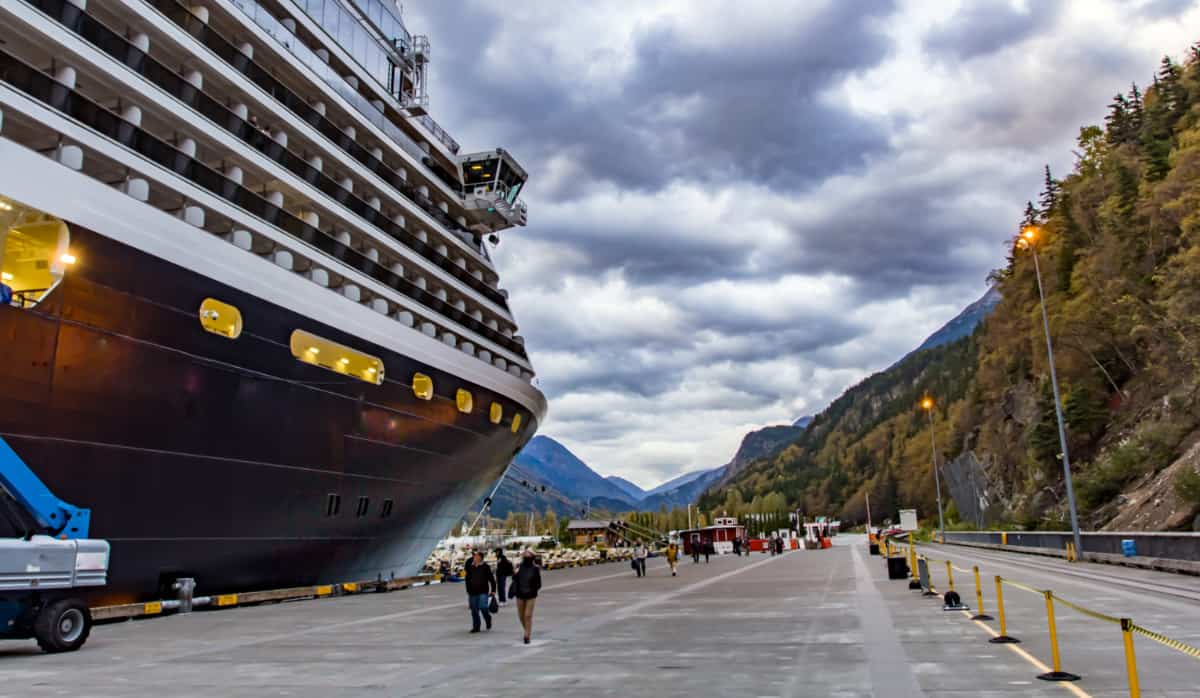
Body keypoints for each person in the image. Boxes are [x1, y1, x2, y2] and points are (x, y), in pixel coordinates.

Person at [512, 549, 542, 645]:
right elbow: (514, 579)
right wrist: (515, 573)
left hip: (531, 595)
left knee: (527, 615)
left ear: (532, 557)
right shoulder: (519, 567)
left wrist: (533, 590)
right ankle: (527, 630)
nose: (526, 555)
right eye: (525, 554)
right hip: (520, 594)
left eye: (528, 554)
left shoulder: (535, 568)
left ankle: (527, 635)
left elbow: (539, 583)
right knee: (521, 616)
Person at [463, 550, 495, 633]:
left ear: (480, 558)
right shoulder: (471, 567)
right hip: (472, 592)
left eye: (476, 556)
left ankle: (488, 618)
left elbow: (491, 579)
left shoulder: (485, 567)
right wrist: (468, 589)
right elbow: (467, 579)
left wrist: (493, 590)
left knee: (483, 607)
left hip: (483, 591)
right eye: (474, 556)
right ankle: (476, 627)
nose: (474, 557)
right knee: (474, 610)